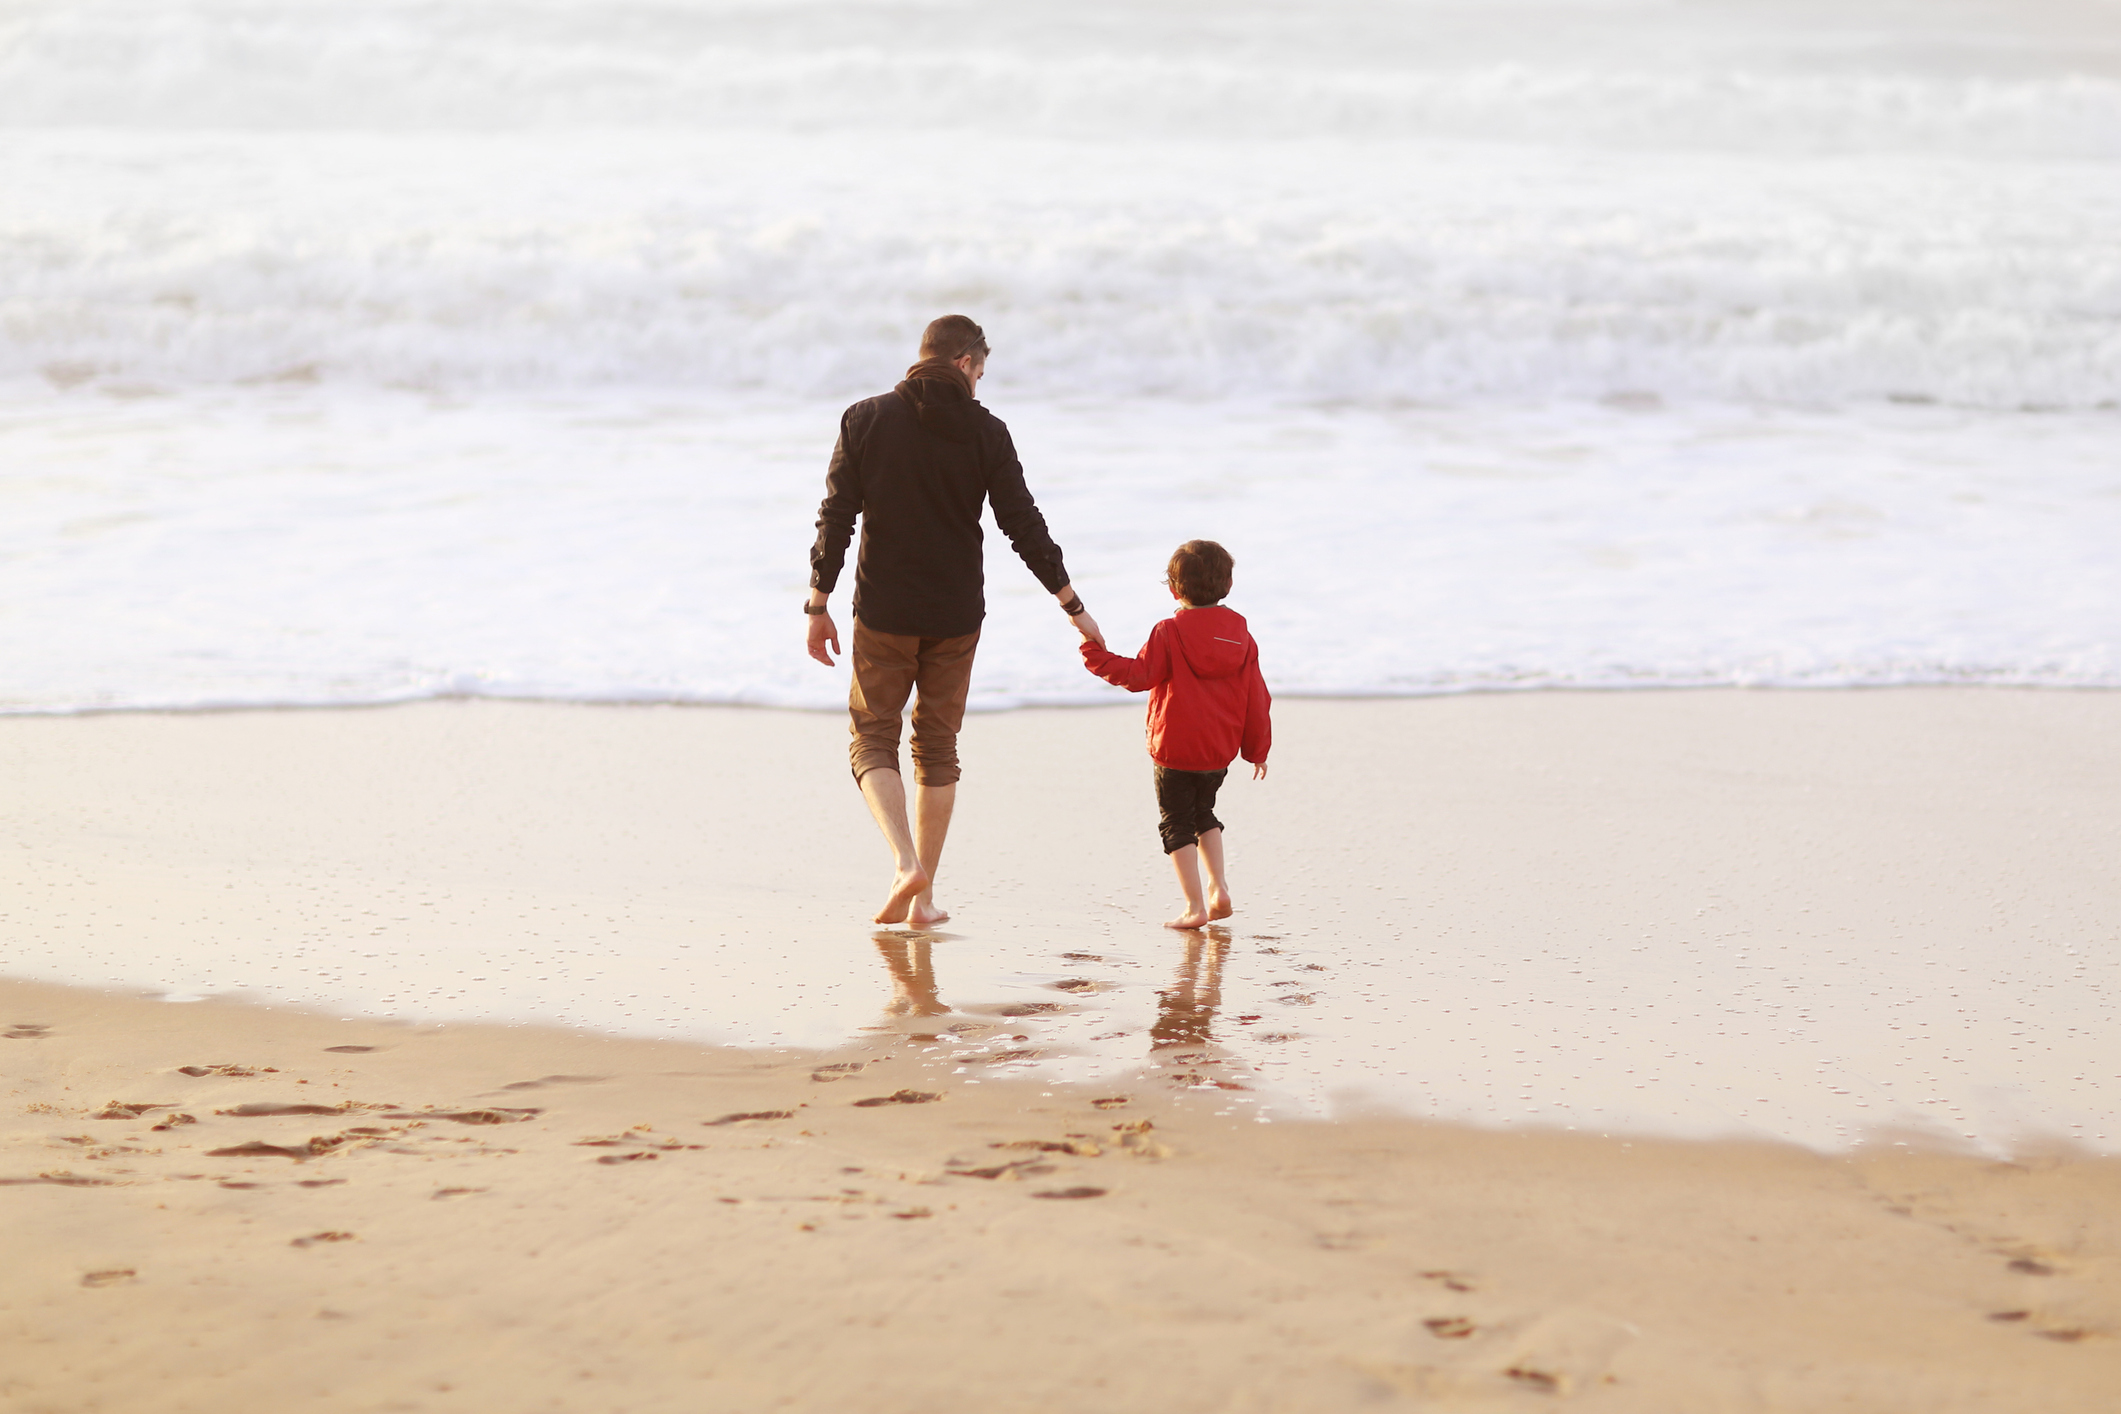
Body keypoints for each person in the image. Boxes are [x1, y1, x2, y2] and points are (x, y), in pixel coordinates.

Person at [807, 315, 1103, 926]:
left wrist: (818, 602)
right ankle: (925, 899)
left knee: (873, 736)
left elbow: (836, 517)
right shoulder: (986, 431)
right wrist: (1072, 604)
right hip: (956, 615)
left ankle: (903, 862)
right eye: (982, 373)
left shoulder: (865, 418)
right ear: (967, 363)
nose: (980, 385)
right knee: (937, 748)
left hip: (885, 610)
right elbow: (1023, 524)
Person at [1078, 539, 1271, 929]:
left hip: (1175, 750)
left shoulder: (1168, 632)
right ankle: (1219, 888)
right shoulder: (1241, 636)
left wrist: (1093, 653)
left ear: (1173, 589)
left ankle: (1194, 906)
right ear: (1228, 585)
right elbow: (1256, 695)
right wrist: (1256, 750)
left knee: (1176, 822)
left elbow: (1138, 676)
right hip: (1219, 751)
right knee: (1204, 813)